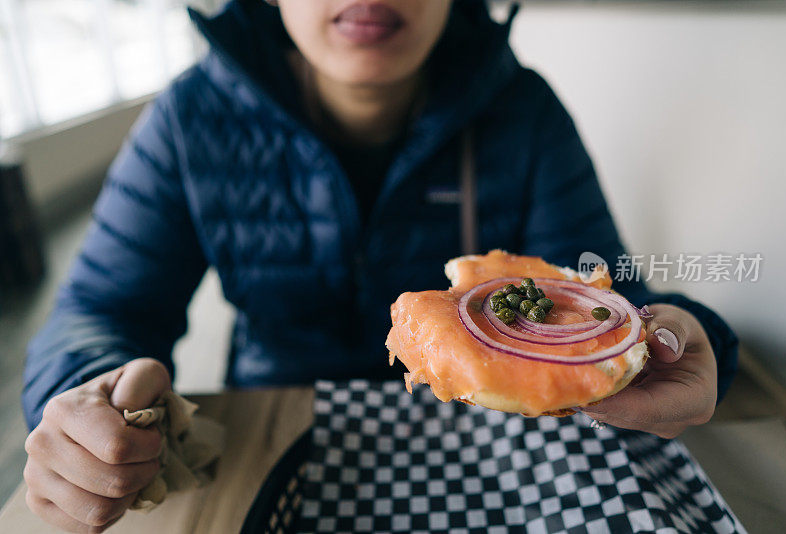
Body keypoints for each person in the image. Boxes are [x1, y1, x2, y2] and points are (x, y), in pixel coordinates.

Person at [21, 0, 737, 531]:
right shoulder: (190, 117)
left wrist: (694, 337)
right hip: (271, 439)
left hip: (489, 453)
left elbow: (611, 304)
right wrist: (81, 391)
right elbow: (101, 310)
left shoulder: (525, 115)